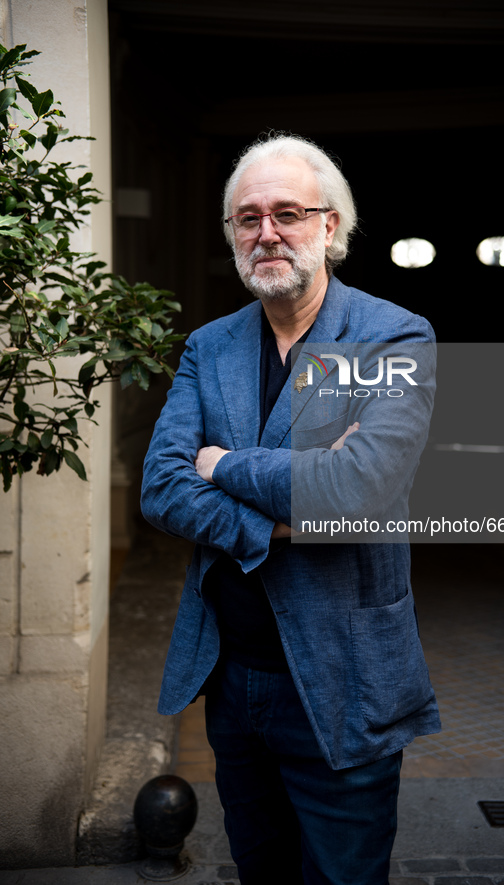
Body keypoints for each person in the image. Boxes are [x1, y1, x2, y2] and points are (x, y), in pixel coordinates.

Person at [141, 133, 441, 885]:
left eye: (287, 213)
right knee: (260, 869)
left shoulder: (392, 336)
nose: (265, 232)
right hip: (234, 678)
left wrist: (223, 464)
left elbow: (357, 490)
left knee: (343, 876)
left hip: (345, 677)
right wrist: (279, 515)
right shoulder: (209, 348)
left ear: (330, 226)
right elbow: (161, 487)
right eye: (246, 218)